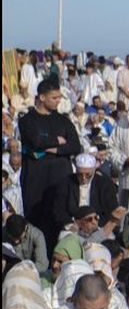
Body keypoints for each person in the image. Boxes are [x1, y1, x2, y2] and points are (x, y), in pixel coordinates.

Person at [18, 76, 81, 247]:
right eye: (54, 98)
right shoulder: (27, 120)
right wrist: (57, 140)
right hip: (35, 183)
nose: (58, 101)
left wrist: (55, 149)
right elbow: (35, 140)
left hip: (59, 181)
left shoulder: (63, 121)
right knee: (37, 226)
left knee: (59, 222)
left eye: (59, 97)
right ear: (42, 97)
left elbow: (75, 146)